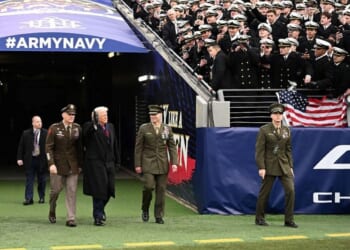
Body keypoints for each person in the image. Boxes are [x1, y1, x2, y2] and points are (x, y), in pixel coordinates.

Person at [255, 103, 298, 228]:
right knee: (265, 193)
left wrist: (290, 165)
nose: (278, 116)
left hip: (284, 165)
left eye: (280, 114)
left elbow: (288, 149)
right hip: (269, 165)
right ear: (271, 116)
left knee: (290, 190)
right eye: (275, 114)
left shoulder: (286, 130)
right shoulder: (264, 130)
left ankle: (289, 220)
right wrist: (261, 167)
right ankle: (259, 218)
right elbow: (259, 150)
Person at [134, 105, 178, 224]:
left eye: (155, 115)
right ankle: (145, 208)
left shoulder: (167, 128)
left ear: (160, 115)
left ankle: (158, 215)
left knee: (161, 189)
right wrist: (138, 164)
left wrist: (174, 162)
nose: (153, 117)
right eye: (151, 115)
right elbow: (138, 147)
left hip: (162, 164)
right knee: (148, 186)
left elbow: (172, 147)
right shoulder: (144, 128)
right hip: (148, 162)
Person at [45, 104, 83, 227]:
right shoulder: (54, 128)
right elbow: (48, 147)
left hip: (73, 165)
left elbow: (80, 148)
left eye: (73, 114)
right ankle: (52, 209)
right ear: (63, 115)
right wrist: (51, 163)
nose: (72, 116)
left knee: (71, 191)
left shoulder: (77, 128)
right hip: (58, 166)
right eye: (69, 114)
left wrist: (80, 165)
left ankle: (71, 218)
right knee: (55, 191)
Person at [82, 106, 119, 226]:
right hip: (96, 163)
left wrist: (117, 161)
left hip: (109, 162)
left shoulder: (110, 127)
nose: (106, 117)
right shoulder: (90, 127)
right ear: (97, 117)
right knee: (99, 190)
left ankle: (100, 209)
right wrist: (94, 123)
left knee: (109, 189)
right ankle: (98, 216)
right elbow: (85, 136)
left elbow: (114, 144)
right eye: (103, 115)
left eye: (106, 115)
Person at [16, 116, 48, 205]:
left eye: (40, 121)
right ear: (33, 123)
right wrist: (19, 158)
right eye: (37, 122)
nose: (39, 123)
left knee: (42, 180)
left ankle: (42, 197)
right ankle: (29, 199)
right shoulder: (26, 133)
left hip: (42, 160)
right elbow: (21, 146)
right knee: (29, 179)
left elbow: (49, 147)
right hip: (30, 160)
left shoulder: (46, 133)